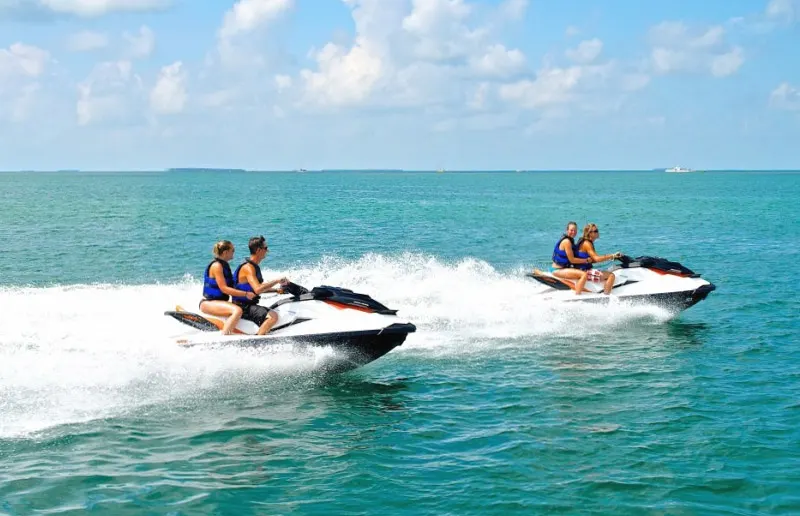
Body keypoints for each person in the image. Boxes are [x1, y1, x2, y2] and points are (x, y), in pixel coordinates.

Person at [231, 235, 289, 335]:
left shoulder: (253, 266)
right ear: (258, 250)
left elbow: (255, 289)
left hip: (248, 305)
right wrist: (277, 280)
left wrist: (276, 290)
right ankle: (258, 342)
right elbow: (258, 289)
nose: (268, 251)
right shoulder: (249, 268)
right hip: (243, 307)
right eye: (265, 248)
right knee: (273, 316)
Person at [199, 240, 256, 335]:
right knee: (237, 311)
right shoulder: (217, 266)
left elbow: (233, 285)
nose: (234, 252)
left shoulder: (224, 265)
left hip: (218, 302)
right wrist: (245, 294)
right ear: (225, 252)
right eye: (233, 250)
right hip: (209, 303)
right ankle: (224, 337)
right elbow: (224, 289)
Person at [575, 223, 622, 295]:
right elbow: (597, 259)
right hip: (584, 271)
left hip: (583, 269)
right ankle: (606, 297)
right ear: (590, 233)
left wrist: (613, 257)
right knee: (611, 275)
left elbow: (592, 260)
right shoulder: (587, 243)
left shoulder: (585, 242)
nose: (598, 232)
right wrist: (611, 255)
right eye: (596, 231)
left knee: (606, 272)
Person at [547, 221, 593, 295]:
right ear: (567, 230)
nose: (573, 232)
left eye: (575, 230)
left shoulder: (570, 240)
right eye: (571, 230)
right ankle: (577, 296)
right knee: (583, 275)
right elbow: (572, 260)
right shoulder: (567, 242)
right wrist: (586, 260)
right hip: (557, 270)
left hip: (561, 268)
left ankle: (577, 289)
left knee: (579, 272)